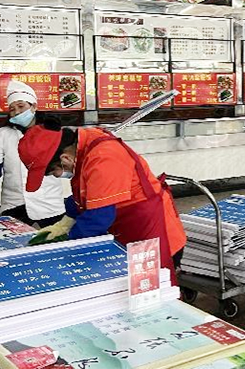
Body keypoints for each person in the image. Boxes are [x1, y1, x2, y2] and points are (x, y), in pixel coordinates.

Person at [17, 118, 186, 284]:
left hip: (150, 230)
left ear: (65, 159)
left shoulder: (104, 157)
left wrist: (67, 245)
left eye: (53, 172)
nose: (56, 176)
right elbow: (86, 193)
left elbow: (98, 218)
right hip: (126, 227)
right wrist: (65, 221)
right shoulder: (82, 148)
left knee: (151, 285)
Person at [0, 81, 65, 227]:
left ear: (34, 106)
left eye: (21, 106)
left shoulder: (52, 132)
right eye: (12, 109)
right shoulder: (2, 135)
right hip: (14, 204)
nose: (17, 112)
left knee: (54, 238)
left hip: (49, 203)